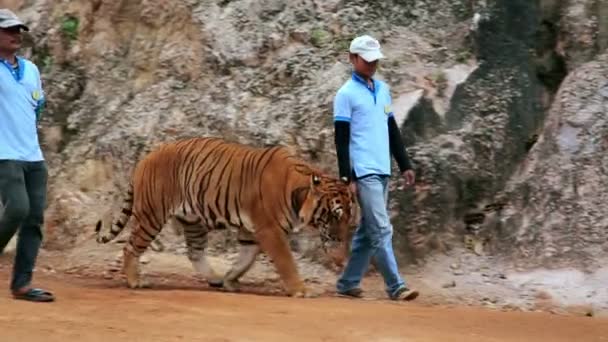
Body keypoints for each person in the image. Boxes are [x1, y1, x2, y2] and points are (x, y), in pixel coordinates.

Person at [333, 34, 419, 301]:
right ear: (353, 59)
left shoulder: (382, 90)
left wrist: (404, 164)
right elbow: (341, 139)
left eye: (375, 61)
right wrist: (347, 176)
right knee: (382, 229)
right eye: (367, 60)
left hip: (383, 168)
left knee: (367, 232)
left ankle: (348, 283)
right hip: (364, 171)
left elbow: (391, 129)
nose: (372, 65)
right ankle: (396, 286)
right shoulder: (345, 95)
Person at [0, 8, 54, 302]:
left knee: (33, 219)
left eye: (18, 30)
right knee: (17, 208)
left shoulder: (31, 69)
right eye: (8, 30)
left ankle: (21, 284)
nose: (15, 35)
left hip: (33, 155)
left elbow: (38, 105)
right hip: (4, 154)